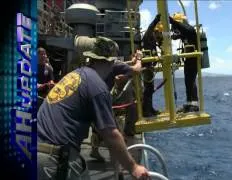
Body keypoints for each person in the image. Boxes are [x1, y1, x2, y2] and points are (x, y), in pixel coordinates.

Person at [37, 36, 149, 179]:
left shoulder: (75, 75)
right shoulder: (97, 86)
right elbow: (111, 134)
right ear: (112, 61)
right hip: (54, 160)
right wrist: (134, 167)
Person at [169, 13, 200, 113]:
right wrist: (174, 36)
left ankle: (194, 104)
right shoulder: (185, 33)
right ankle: (189, 103)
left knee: (191, 81)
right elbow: (180, 34)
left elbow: (181, 27)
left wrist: (171, 20)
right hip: (188, 59)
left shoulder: (189, 30)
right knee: (188, 81)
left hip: (193, 59)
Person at [140, 14, 163, 117]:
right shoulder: (149, 35)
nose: (160, 37)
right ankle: (146, 111)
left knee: (150, 88)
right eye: (160, 34)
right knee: (148, 89)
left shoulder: (153, 39)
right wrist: (156, 19)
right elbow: (150, 27)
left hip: (149, 66)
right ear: (157, 31)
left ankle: (150, 109)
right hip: (146, 66)